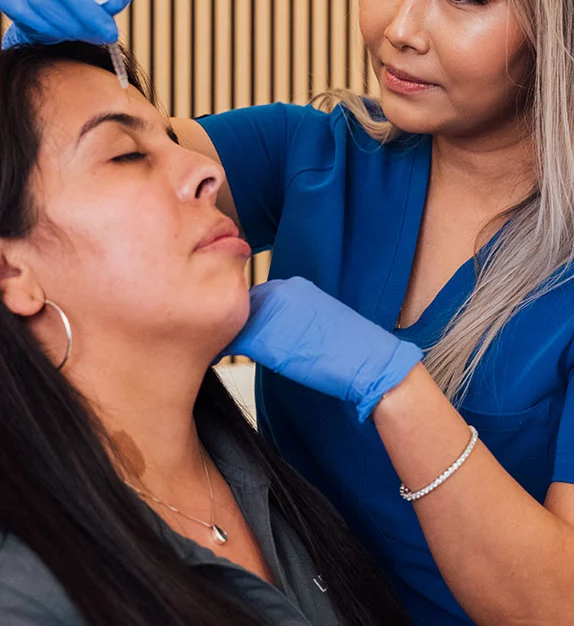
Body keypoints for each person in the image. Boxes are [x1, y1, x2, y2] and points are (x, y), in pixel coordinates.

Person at [3, 0, 574, 624]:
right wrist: (43, 56)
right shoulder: (312, 154)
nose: (399, 26)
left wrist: (397, 389)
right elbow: (79, 188)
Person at [0, 39, 408, 625]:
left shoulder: (272, 483)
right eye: (125, 154)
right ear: (11, 272)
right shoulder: (26, 594)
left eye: (172, 139)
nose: (208, 170)